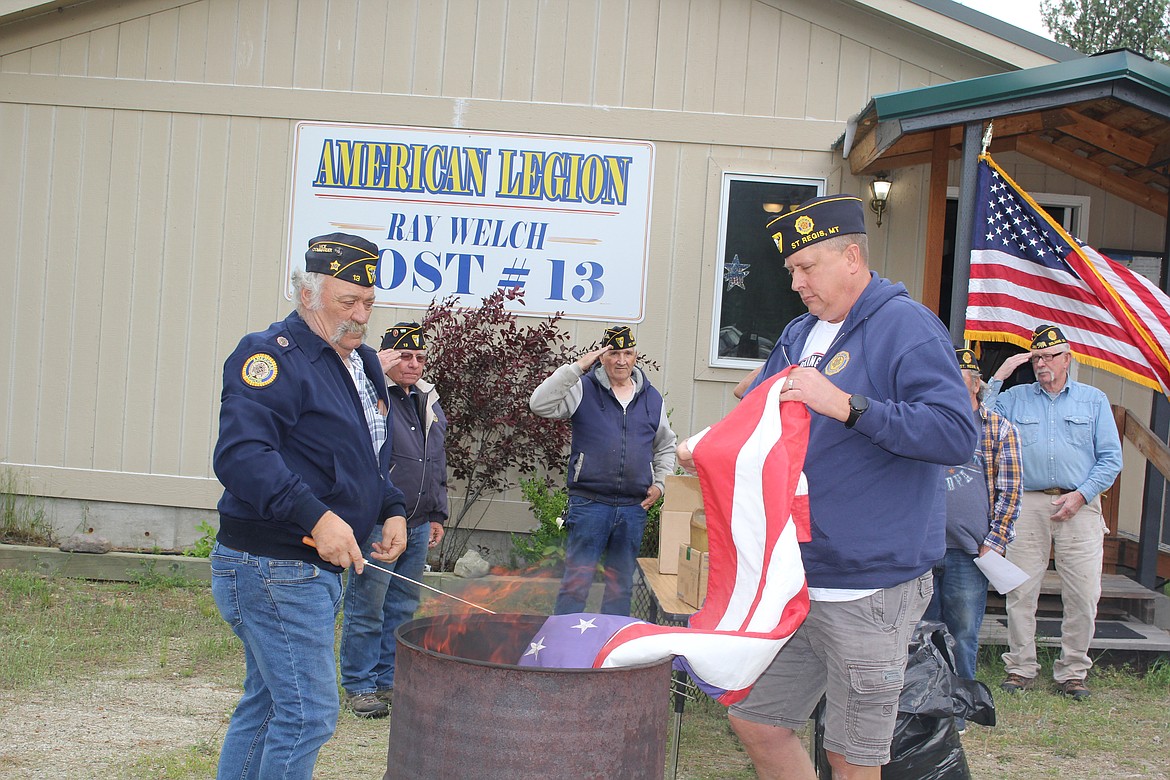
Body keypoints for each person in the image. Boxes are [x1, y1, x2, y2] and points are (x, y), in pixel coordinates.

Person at [725, 194, 979, 779]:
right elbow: (759, 409)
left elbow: (954, 433)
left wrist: (846, 406)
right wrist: (711, 445)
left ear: (852, 258)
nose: (795, 282)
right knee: (757, 720)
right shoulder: (800, 332)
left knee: (852, 754)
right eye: (791, 270)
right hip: (800, 575)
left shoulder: (907, 327)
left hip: (871, 587)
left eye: (806, 267)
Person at [210, 232, 409, 779]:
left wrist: (390, 506)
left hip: (311, 568)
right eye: (348, 301)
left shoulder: (362, 363)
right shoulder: (270, 357)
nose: (361, 314)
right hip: (274, 564)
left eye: (369, 302)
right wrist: (317, 516)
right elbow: (242, 455)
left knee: (271, 703)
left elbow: (367, 452)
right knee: (309, 714)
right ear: (307, 294)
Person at [987, 324, 1122, 701]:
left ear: (1067, 359)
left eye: (1050, 357)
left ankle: (1073, 672)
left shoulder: (1093, 400)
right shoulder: (1014, 398)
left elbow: (1111, 458)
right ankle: (1020, 668)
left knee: (1083, 592)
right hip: (1027, 503)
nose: (1042, 364)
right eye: (1037, 358)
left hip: (1079, 503)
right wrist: (1001, 374)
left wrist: (1082, 495)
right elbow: (979, 417)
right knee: (1020, 590)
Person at [340, 322, 448, 718]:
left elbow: (436, 459)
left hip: (417, 523)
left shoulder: (427, 399)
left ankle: (389, 679)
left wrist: (437, 512)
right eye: (404, 356)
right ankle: (360, 685)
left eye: (420, 357)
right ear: (384, 357)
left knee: (402, 607)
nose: (413, 364)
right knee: (367, 607)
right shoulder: (368, 397)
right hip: (378, 521)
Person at [529, 325, 677, 616]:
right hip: (589, 505)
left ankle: (612, 654)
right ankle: (564, 651)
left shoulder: (652, 398)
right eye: (613, 353)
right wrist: (576, 367)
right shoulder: (582, 388)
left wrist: (660, 484)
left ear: (636, 357)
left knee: (620, 585)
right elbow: (539, 404)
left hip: (633, 508)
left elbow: (666, 445)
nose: (621, 360)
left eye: (628, 353)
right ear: (602, 357)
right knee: (576, 582)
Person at [923, 348, 1022, 730]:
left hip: (970, 552)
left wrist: (994, 542)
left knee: (963, 634)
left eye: (959, 379)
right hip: (926, 549)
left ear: (977, 385)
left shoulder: (997, 428)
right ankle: (931, 705)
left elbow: (1010, 490)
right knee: (925, 632)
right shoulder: (929, 426)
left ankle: (961, 708)